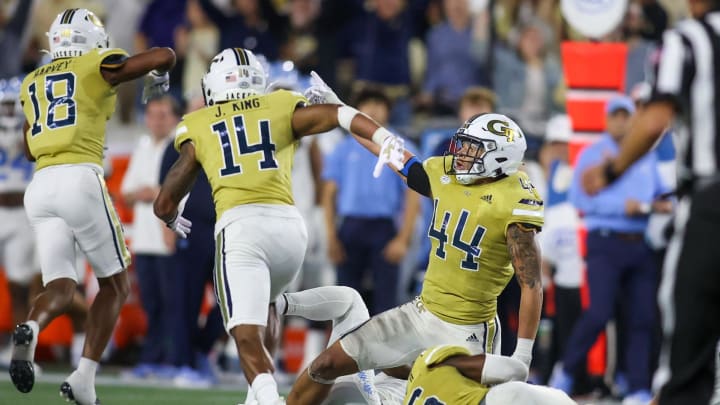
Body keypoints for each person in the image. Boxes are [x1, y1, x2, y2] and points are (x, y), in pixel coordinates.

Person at [153, 48, 415, 405]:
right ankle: (254, 398)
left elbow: (166, 199)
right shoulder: (279, 104)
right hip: (290, 231)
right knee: (270, 305)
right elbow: (340, 114)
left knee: (245, 334)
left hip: (242, 227)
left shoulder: (198, 123)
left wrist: (168, 213)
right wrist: (383, 137)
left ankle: (270, 400)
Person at [287, 77, 545, 405]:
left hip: (466, 332)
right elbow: (389, 149)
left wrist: (522, 355)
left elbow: (532, 284)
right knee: (326, 364)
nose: (461, 154)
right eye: (463, 145)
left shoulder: (514, 200)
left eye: (472, 148)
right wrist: (344, 113)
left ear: (499, 158)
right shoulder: (448, 176)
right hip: (421, 312)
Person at [10, 8, 175, 405]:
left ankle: (32, 325)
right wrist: (155, 73)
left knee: (61, 287)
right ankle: (84, 378)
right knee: (115, 285)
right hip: (79, 177)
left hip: (41, 187)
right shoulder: (94, 64)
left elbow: (31, 148)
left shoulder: (32, 81)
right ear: (90, 40)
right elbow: (164, 55)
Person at [581, 1, 720, 404]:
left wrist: (611, 171)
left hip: (712, 203)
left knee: (687, 352)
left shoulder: (687, 41)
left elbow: (657, 117)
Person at [550, 95, 670, 404]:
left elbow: (662, 195)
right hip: (604, 241)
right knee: (599, 312)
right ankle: (565, 373)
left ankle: (637, 387)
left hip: (639, 243)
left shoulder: (645, 156)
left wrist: (661, 203)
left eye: (625, 115)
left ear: (632, 119)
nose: (620, 120)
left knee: (642, 317)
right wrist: (622, 206)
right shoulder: (592, 154)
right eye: (614, 115)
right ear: (606, 120)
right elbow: (579, 200)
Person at [121, 95, 180, 378]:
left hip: (168, 238)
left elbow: (179, 192)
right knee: (152, 304)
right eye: (153, 114)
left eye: (163, 114)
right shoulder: (143, 146)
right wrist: (152, 192)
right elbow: (127, 193)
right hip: (144, 241)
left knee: (173, 304)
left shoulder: (181, 147)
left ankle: (171, 358)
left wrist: (150, 192)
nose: (157, 120)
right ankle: (152, 357)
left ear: (174, 118)